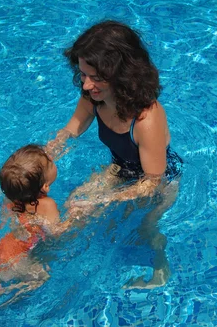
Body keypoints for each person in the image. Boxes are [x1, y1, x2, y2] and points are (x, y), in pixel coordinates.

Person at [46, 20, 182, 289]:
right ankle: (37, 266)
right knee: (73, 208)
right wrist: (47, 154)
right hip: (120, 169)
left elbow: (152, 181)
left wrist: (105, 199)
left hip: (159, 182)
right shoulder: (94, 96)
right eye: (83, 75)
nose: (86, 85)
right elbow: (74, 127)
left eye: (95, 78)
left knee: (145, 231)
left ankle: (160, 270)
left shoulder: (146, 119)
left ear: (122, 74)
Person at [0, 144, 83, 308]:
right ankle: (7, 295)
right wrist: (75, 216)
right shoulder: (47, 204)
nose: (52, 159)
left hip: (3, 249)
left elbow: (6, 216)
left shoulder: (12, 197)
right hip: (20, 259)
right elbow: (57, 233)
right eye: (50, 163)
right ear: (45, 186)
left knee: (6, 273)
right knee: (41, 279)